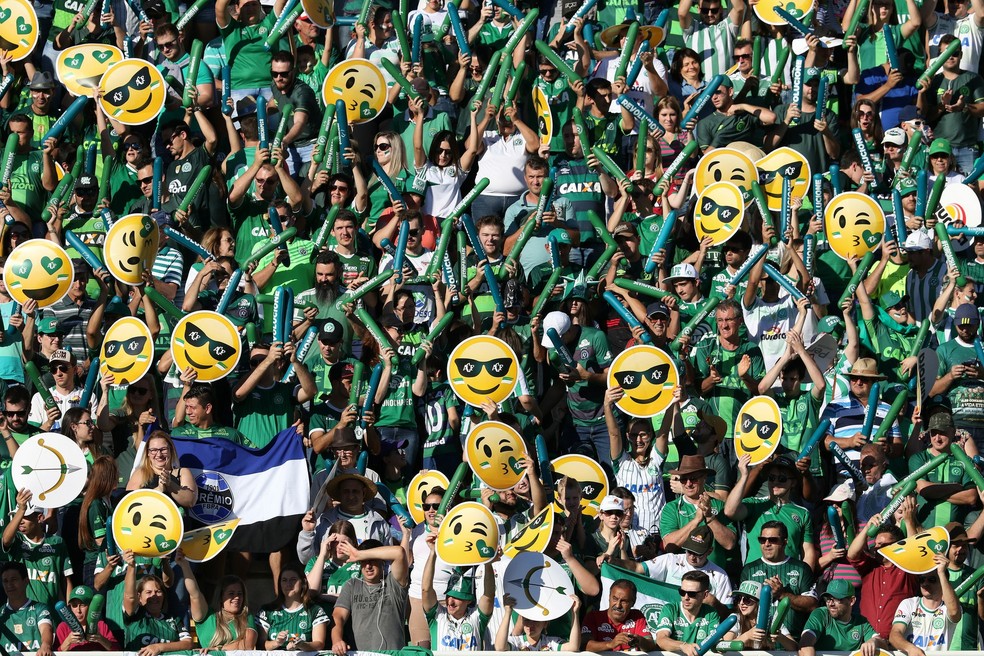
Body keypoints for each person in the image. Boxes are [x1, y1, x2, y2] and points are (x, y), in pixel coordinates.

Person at [331, 539, 410, 653]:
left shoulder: (394, 583)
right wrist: (337, 640)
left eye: (372, 561)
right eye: (364, 561)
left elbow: (399, 552)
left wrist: (359, 554)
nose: (368, 566)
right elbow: (338, 617)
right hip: (360, 654)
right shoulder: (352, 585)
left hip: (392, 654)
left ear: (382, 561)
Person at [890, 554, 962, 654]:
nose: (925, 583)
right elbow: (894, 635)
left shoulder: (948, 607)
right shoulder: (909, 604)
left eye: (932, 580)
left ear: (942, 582)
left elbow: (954, 613)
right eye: (922, 580)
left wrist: (941, 572)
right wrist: (910, 648)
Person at [798, 580, 887, 656]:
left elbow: (884, 646)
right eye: (828, 599)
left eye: (837, 599)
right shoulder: (821, 614)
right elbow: (805, 645)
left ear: (851, 601)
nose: (830, 604)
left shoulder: (861, 622)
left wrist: (874, 641)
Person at [256, 563, 326, 651]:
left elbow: (319, 644)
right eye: (284, 580)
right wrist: (277, 643)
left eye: (293, 580)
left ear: (303, 582)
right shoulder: (267, 611)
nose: (288, 584)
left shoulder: (315, 610)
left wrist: (301, 645)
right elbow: (260, 645)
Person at [654, 571, 721, 656]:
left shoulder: (711, 613)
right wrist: (682, 646)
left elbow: (714, 641)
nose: (686, 597)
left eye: (692, 594)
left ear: (705, 594)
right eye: (682, 592)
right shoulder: (671, 609)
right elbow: (661, 640)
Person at [582, 579, 656, 651]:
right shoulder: (593, 617)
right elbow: (585, 645)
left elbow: (650, 645)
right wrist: (610, 644)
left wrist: (639, 641)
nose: (618, 605)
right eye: (615, 599)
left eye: (624, 601)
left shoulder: (637, 616)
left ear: (633, 602)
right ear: (609, 597)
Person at [0, 561, 54, 656]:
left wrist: (46, 645)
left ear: (26, 581)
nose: (9, 585)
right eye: (5, 581)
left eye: (14, 579)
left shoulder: (40, 608)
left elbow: (46, 628)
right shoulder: (1, 613)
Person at [55, 585, 118, 651]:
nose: (78, 610)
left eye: (82, 605)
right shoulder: (63, 627)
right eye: (74, 605)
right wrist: (68, 642)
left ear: (91, 606)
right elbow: (54, 653)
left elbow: (118, 651)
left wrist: (101, 639)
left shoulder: (100, 625)